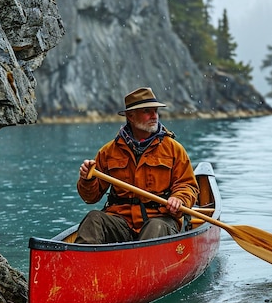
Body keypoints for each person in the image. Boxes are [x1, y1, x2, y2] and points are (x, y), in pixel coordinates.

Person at [76, 87, 199, 244]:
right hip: (121, 222)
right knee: (93, 218)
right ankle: (82, 265)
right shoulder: (108, 151)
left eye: (155, 111)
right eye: (147, 111)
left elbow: (188, 185)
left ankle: (142, 265)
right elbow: (90, 198)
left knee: (155, 227)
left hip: (160, 220)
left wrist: (179, 198)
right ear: (130, 116)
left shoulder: (174, 149)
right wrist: (87, 179)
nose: (154, 116)